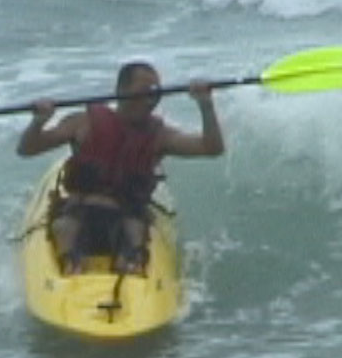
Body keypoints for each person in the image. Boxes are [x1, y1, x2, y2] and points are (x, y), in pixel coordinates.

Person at [16, 61, 224, 274]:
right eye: (142, 94)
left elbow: (212, 148)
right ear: (121, 92)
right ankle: (70, 264)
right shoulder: (83, 123)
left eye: (154, 94)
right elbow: (27, 149)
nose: (149, 102)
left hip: (125, 216)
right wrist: (38, 122)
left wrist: (205, 105)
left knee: (134, 229)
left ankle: (131, 264)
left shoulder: (160, 136)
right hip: (79, 212)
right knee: (65, 227)